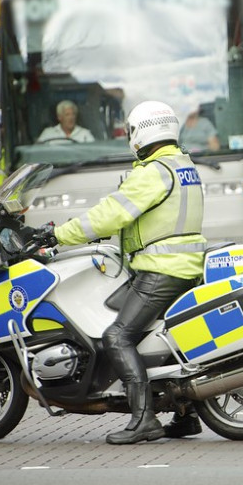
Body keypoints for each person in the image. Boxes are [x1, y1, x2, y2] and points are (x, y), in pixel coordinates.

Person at [51, 100, 206, 445]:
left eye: (131, 131)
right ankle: (186, 414)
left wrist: (58, 234)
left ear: (142, 132)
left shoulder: (154, 172)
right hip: (183, 265)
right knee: (163, 340)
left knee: (117, 336)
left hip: (162, 269)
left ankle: (143, 420)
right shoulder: (183, 164)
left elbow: (109, 214)